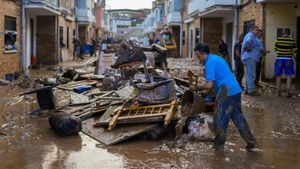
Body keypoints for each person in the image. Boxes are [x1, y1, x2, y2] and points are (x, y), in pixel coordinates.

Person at [193, 43, 257, 151]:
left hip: (226, 92)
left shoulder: (209, 63)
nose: (199, 59)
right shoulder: (216, 58)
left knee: (220, 119)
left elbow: (209, 85)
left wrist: (196, 88)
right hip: (235, 90)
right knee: (238, 117)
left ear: (204, 54)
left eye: (199, 56)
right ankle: (251, 141)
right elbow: (214, 84)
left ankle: (219, 146)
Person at [274, 28, 297, 97]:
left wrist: (281, 51)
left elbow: (275, 49)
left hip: (279, 59)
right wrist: (289, 51)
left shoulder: (278, 39)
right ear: (289, 33)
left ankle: (278, 92)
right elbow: (295, 51)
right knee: (289, 75)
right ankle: (288, 92)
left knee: (278, 75)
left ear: (283, 33)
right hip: (288, 59)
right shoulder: (292, 41)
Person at [242, 26, 264, 96]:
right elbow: (247, 42)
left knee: (249, 74)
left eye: (257, 30)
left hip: (251, 57)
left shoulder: (252, 36)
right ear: (252, 30)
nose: (257, 31)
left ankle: (247, 90)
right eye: (256, 30)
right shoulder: (251, 36)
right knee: (251, 75)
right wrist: (246, 48)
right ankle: (251, 91)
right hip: (251, 57)